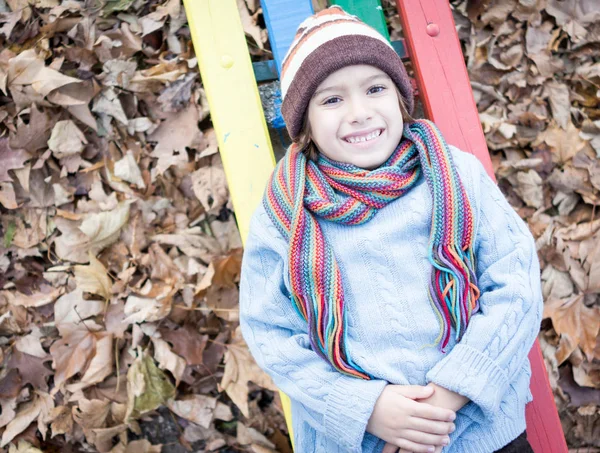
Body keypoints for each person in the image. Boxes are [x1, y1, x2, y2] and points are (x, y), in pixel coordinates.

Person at [239, 6, 542, 453]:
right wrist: (367, 409)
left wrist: (451, 393)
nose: (359, 112)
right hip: (364, 439)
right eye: (332, 99)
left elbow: (515, 282)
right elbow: (270, 331)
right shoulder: (286, 211)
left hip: (480, 427)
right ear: (304, 125)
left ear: (401, 101)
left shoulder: (454, 175)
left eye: (375, 89)